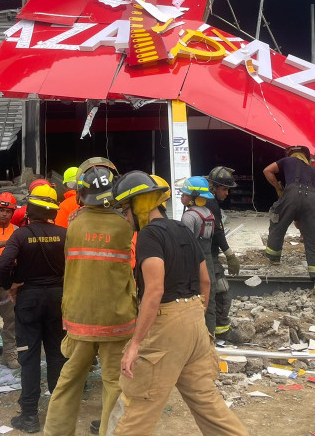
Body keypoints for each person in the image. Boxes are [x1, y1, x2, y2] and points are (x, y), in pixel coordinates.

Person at [106, 172, 247, 436]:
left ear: (140, 205)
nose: (125, 218)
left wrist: (135, 344)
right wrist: (193, 314)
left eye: (126, 210)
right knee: (209, 405)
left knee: (136, 408)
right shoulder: (182, 228)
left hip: (167, 328)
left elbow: (155, 290)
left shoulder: (149, 236)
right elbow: (205, 280)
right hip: (195, 323)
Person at [44, 157, 135, 436]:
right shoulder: (127, 227)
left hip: (79, 317)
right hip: (116, 319)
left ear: (81, 193)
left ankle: (56, 432)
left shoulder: (73, 225)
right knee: (115, 385)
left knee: (68, 381)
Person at [0, 184, 67, 434]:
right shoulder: (64, 234)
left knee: (29, 358)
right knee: (58, 356)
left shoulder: (21, 235)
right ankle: (60, 417)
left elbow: (3, 263)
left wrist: (9, 285)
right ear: (53, 212)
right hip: (58, 300)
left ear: (30, 210)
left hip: (29, 301)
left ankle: (29, 417)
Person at [263, 145, 315, 295]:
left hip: (292, 192)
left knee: (277, 221)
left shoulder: (287, 160)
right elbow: (304, 209)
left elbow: (267, 170)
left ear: (291, 154)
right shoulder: (313, 171)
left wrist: (278, 186)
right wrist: (303, 227)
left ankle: (273, 257)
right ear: (306, 157)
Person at [205, 167, 242, 337]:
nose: (227, 193)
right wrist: (230, 256)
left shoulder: (199, 200)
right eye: (224, 189)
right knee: (221, 292)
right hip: (207, 255)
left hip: (201, 253)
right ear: (214, 187)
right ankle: (221, 331)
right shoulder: (210, 203)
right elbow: (218, 232)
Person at [180, 176, 217, 335]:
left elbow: (185, 243)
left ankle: (196, 336)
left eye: (185, 194)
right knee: (210, 298)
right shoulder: (209, 213)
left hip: (193, 261)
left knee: (194, 298)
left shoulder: (189, 216)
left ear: (195, 197)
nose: (182, 196)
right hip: (207, 258)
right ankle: (211, 335)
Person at [0, 191, 20, 369]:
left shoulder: (17, 231)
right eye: (1, 210)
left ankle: (9, 354)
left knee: (11, 320)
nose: (4, 214)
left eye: (8, 211)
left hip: (10, 280)